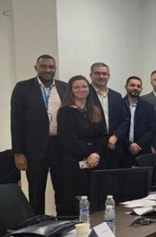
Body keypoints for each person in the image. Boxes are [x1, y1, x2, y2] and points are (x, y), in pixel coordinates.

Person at [10, 54, 67, 215]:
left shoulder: (64, 87)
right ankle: (38, 226)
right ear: (36, 68)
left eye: (51, 67)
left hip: (60, 147)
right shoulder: (23, 88)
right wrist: (18, 152)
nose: (48, 70)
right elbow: (16, 122)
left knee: (63, 190)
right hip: (34, 149)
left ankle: (63, 223)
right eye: (43, 66)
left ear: (55, 69)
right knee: (36, 192)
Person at [56, 75, 107, 217]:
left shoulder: (96, 110)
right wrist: (87, 154)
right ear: (71, 90)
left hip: (96, 160)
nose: (81, 90)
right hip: (74, 161)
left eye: (84, 86)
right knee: (76, 198)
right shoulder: (65, 111)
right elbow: (67, 138)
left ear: (89, 89)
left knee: (96, 196)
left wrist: (96, 154)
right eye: (77, 87)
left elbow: (103, 134)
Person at [89, 62, 125, 169]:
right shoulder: (85, 94)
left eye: (104, 74)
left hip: (114, 145)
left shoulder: (116, 96)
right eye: (97, 73)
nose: (101, 76)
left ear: (109, 76)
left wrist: (116, 136)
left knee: (113, 177)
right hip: (93, 147)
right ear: (91, 75)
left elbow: (125, 119)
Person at [116, 76, 156, 167]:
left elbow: (153, 129)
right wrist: (129, 145)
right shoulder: (118, 105)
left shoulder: (148, 107)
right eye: (132, 85)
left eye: (138, 86)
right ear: (126, 87)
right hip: (123, 149)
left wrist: (138, 144)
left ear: (141, 89)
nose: (135, 88)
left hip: (143, 149)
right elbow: (115, 127)